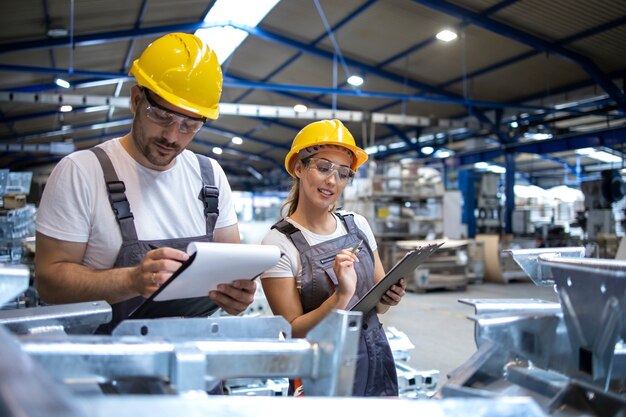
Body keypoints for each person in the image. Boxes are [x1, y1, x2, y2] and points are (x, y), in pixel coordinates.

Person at [35, 33, 256, 334]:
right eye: (161, 116)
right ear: (137, 99)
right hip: (102, 367)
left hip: (191, 365)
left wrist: (236, 296)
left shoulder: (211, 177)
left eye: (189, 126)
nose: (172, 136)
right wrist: (130, 281)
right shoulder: (82, 172)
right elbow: (49, 283)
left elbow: (231, 270)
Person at [260, 119, 406, 396]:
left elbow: (379, 306)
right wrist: (340, 298)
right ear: (299, 168)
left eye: (343, 173)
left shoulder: (358, 225)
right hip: (320, 370)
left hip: (373, 355)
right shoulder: (279, 243)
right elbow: (293, 331)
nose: (332, 181)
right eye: (323, 168)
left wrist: (391, 296)